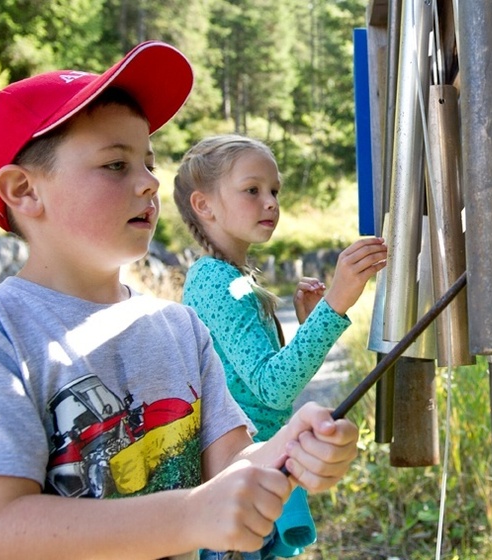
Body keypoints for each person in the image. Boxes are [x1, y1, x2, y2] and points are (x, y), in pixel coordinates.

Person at [0, 41, 359, 560]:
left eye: (148, 161)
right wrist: (189, 516)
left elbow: (232, 466)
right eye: (116, 165)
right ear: (25, 190)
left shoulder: (181, 327)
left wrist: (294, 449)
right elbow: (4, 527)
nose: (149, 183)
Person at [172, 135, 387, 558]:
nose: (270, 202)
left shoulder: (233, 277)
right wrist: (336, 302)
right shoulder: (214, 281)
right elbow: (273, 388)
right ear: (204, 205)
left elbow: (257, 382)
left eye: (274, 191)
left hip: (255, 479)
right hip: (235, 488)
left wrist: (309, 323)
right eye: (252, 190)